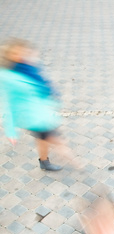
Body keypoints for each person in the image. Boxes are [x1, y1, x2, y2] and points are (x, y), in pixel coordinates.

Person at [0, 38, 74, 171]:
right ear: (8, 56)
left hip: (41, 112)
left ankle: (44, 162)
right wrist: (10, 131)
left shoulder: (26, 66)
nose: (21, 55)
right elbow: (7, 104)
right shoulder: (6, 77)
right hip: (32, 116)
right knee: (58, 143)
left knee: (43, 139)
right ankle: (79, 167)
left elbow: (41, 84)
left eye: (22, 51)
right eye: (16, 53)